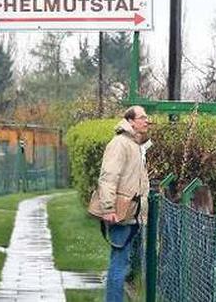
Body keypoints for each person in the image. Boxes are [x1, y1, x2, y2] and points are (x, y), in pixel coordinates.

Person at [95, 106, 151, 302]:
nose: (147, 121)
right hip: (121, 214)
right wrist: (108, 208)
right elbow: (108, 178)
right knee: (118, 264)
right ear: (131, 120)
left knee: (121, 262)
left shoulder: (134, 144)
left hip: (131, 214)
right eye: (143, 117)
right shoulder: (120, 144)